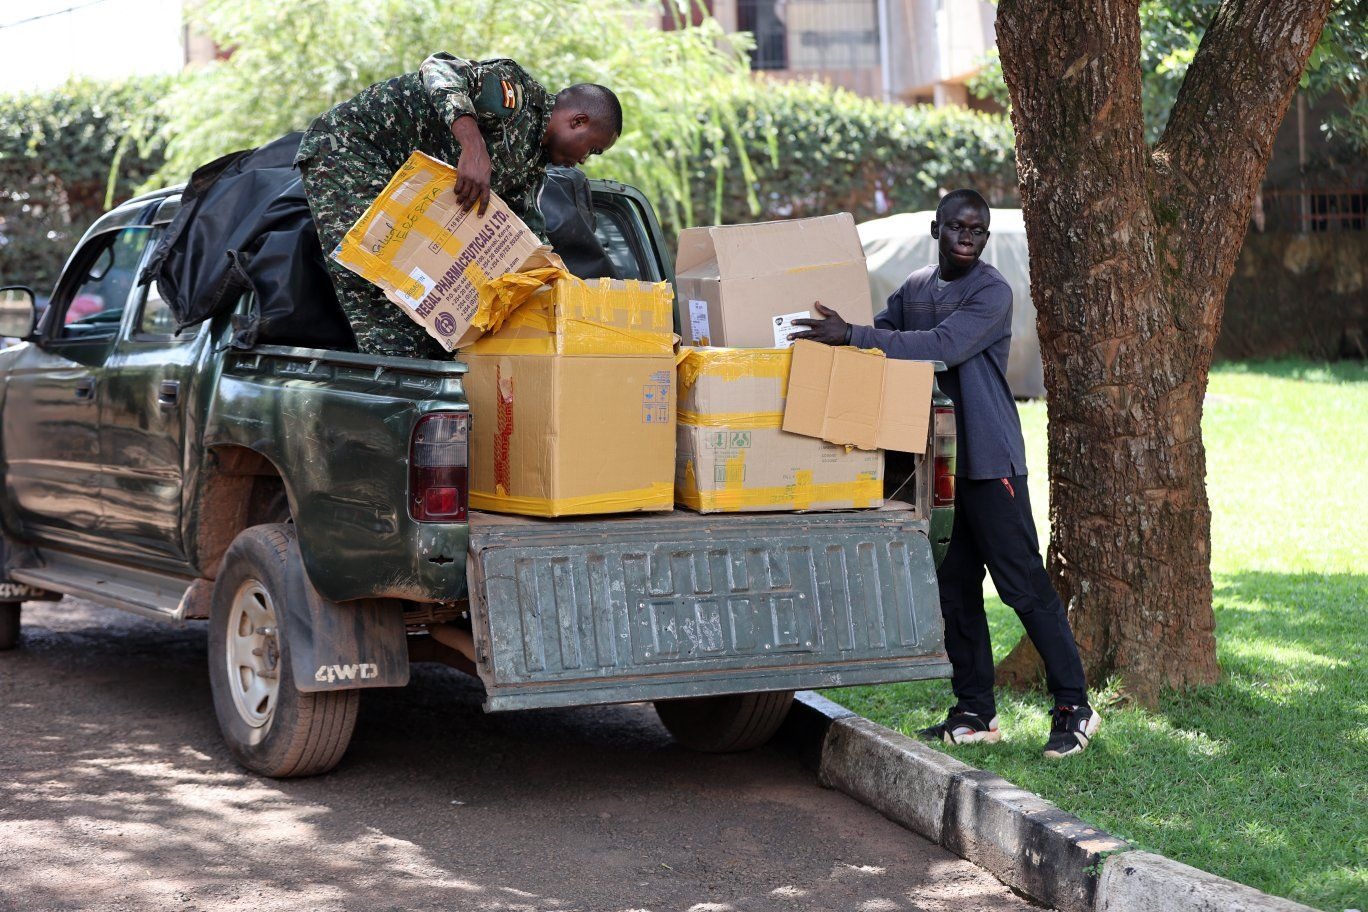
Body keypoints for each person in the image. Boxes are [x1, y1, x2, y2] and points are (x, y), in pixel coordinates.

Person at [789, 189, 1100, 759]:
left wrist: (856, 336)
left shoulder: (992, 292)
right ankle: (974, 711)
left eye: (977, 229)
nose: (968, 236)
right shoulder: (913, 289)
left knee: (1023, 587)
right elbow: (878, 336)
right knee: (956, 590)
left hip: (989, 462)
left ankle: (1074, 707)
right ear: (937, 229)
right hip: (936, 469)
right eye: (957, 226)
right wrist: (827, 333)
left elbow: (941, 347)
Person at [295, 52, 622, 358]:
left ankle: (429, 378)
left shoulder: (530, 168)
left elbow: (527, 239)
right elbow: (438, 67)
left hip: (402, 175)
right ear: (577, 121)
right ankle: (399, 383)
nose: (581, 161)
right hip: (352, 146)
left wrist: (562, 295)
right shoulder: (518, 98)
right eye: (591, 150)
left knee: (423, 284)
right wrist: (473, 144)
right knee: (372, 268)